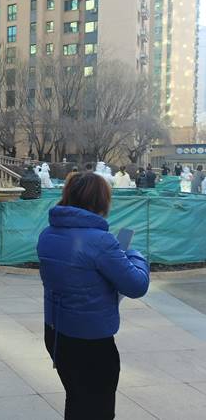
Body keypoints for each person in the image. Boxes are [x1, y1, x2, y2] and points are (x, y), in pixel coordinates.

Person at [37, 172, 149, 420]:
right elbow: (137, 285)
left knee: (76, 398)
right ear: (100, 200)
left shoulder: (47, 235)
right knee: (98, 408)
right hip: (91, 341)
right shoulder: (100, 242)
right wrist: (135, 256)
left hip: (56, 333)